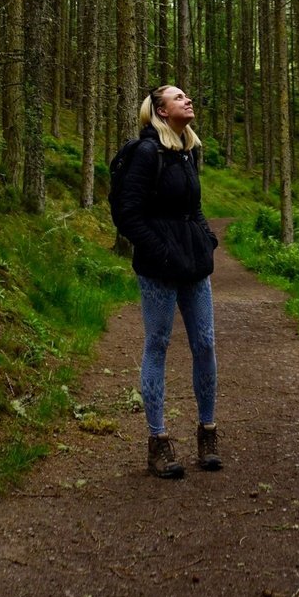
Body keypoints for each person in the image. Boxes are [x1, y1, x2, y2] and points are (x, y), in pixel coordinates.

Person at [113, 84, 221, 479]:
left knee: (205, 343)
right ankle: (158, 442)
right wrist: (160, 251)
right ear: (160, 111)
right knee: (157, 344)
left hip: (194, 265)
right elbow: (127, 215)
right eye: (178, 97)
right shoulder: (145, 153)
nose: (188, 100)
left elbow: (194, 207)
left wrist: (206, 240)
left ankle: (207, 433)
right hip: (159, 268)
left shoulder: (188, 152)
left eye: (187, 96)